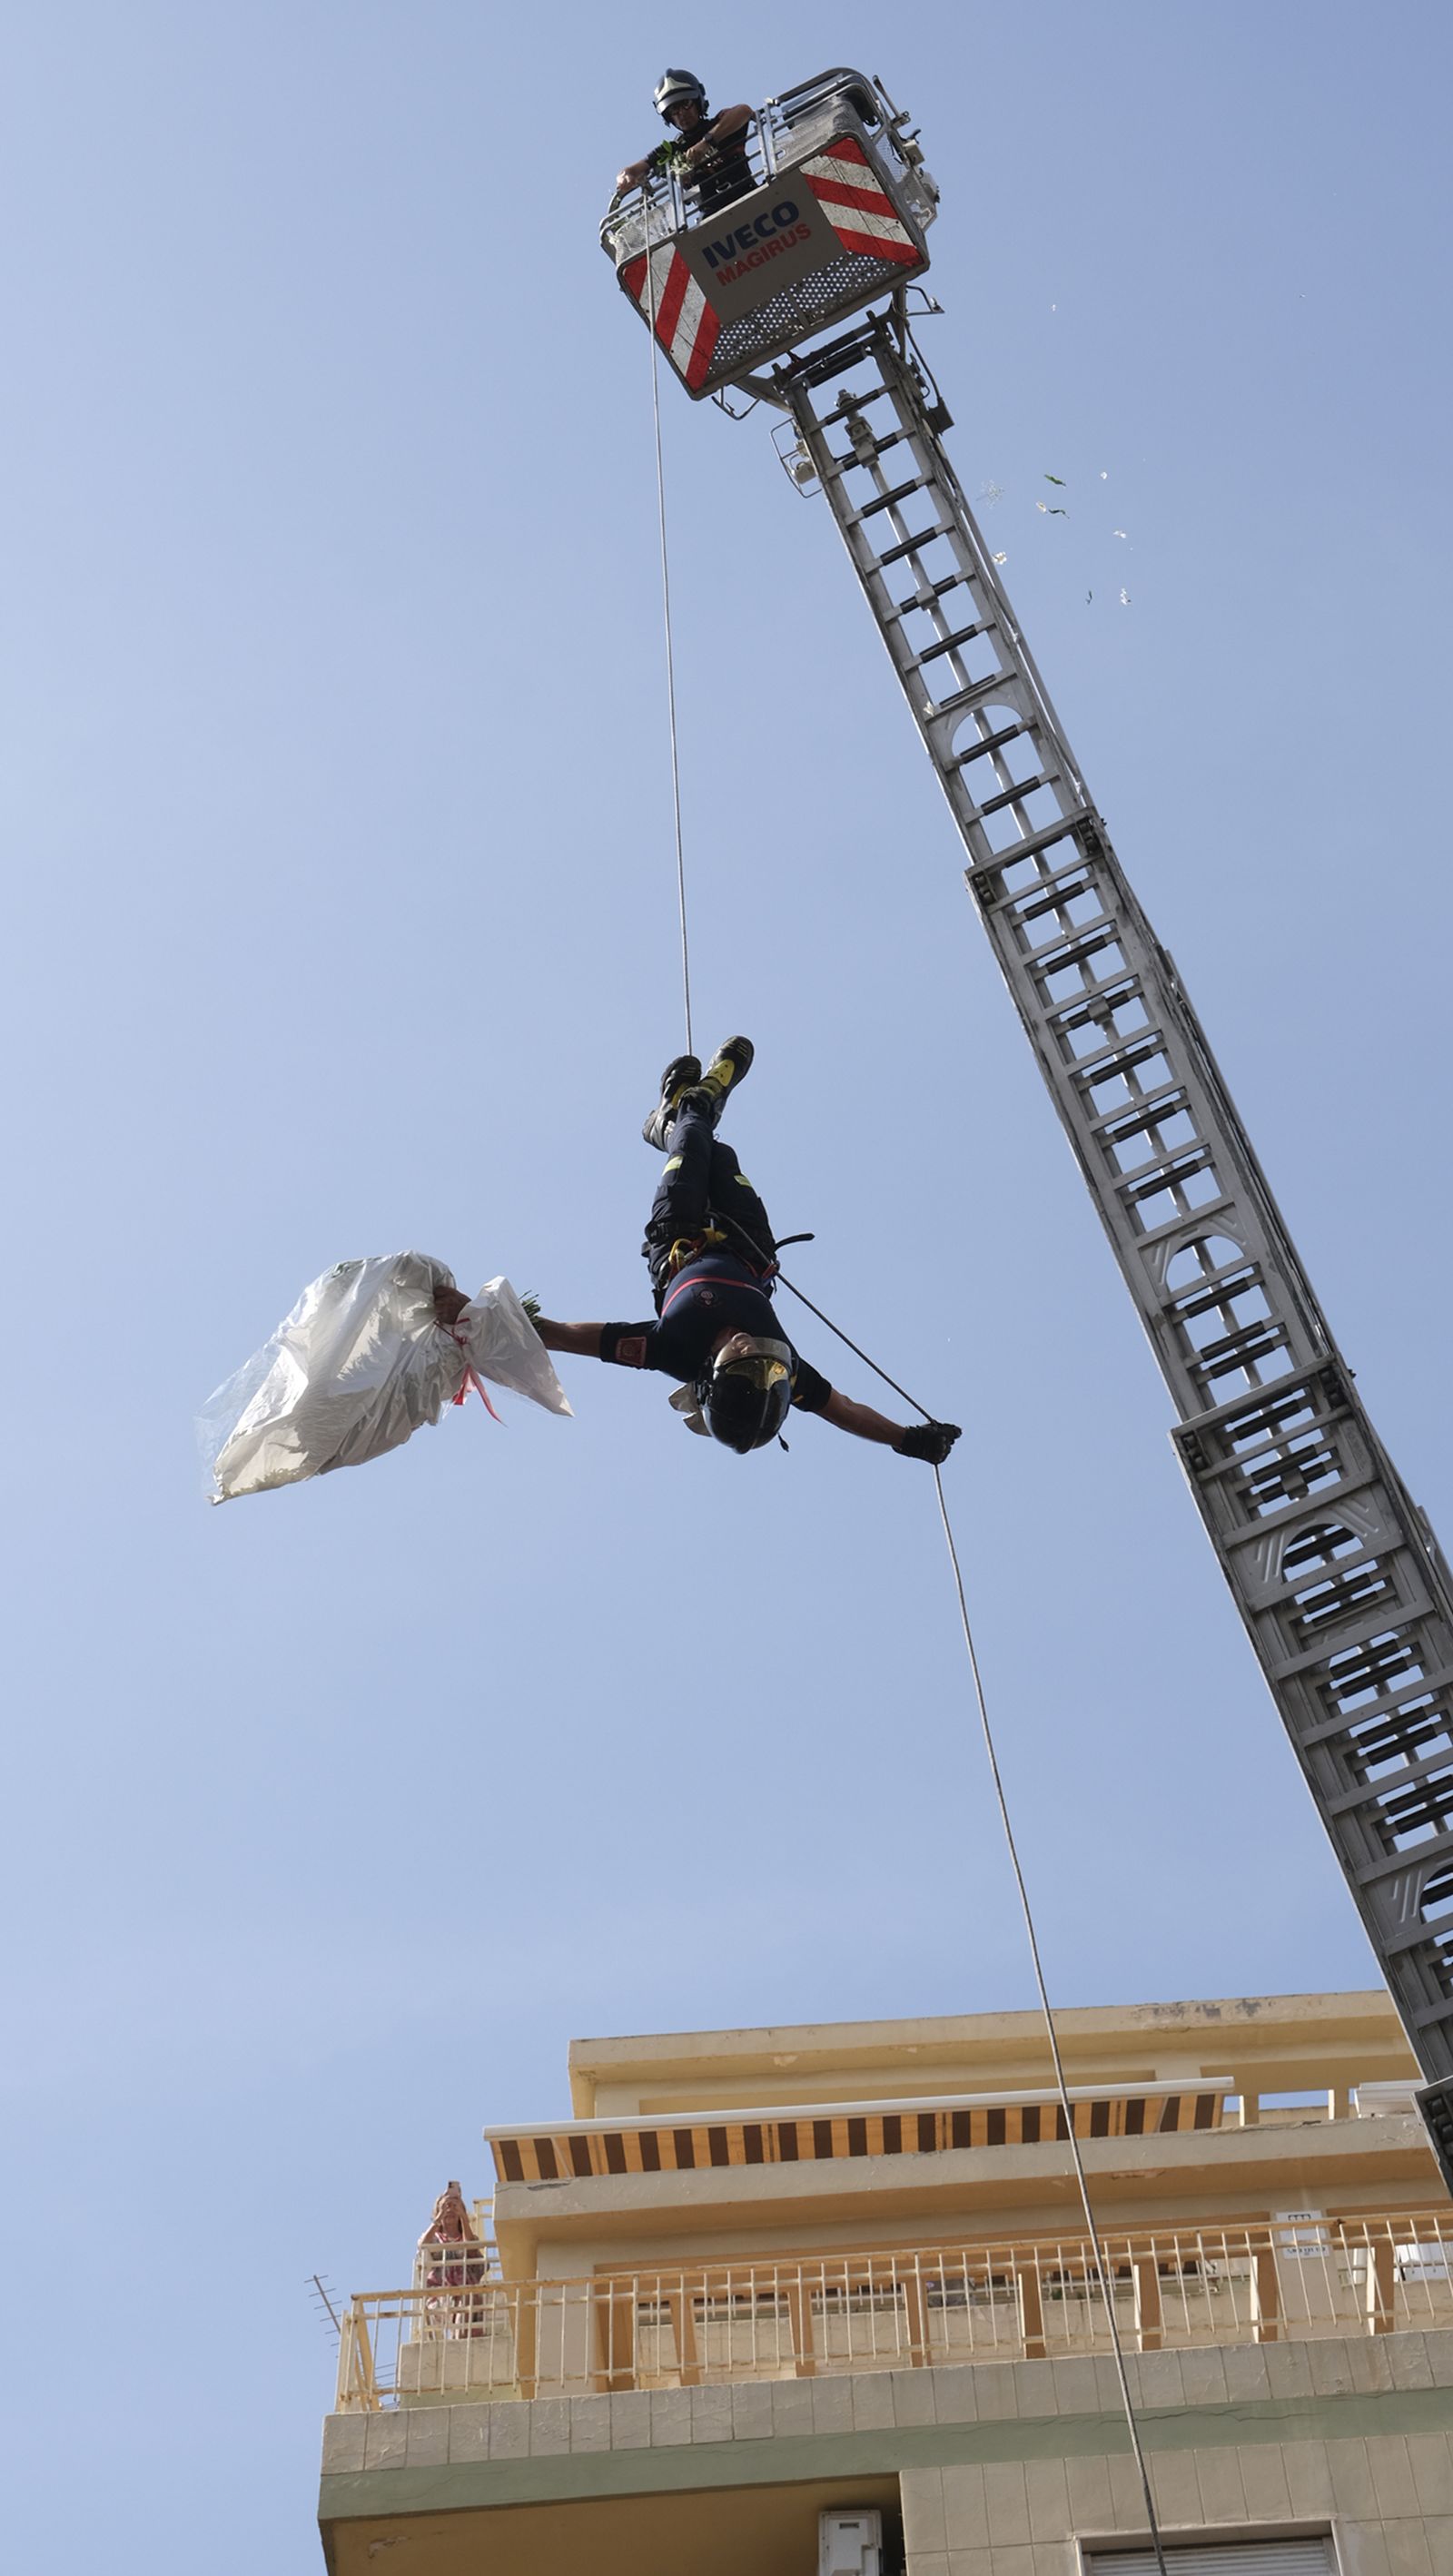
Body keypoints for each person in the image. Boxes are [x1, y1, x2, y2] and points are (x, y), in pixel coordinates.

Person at [438, 1041, 961, 1464]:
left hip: (678, 1233)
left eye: (740, 1355)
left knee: (694, 1139)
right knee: (720, 1151)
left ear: (711, 1374)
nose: (748, 1342)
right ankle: (670, 1119)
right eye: (763, 1356)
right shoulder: (784, 1368)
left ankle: (693, 1102)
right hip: (748, 1242)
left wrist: (471, 1316)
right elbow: (842, 1408)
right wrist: (906, 1439)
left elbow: (558, 1336)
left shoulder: (670, 1349)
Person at [615, 70, 756, 220]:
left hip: (751, 198)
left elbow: (744, 111)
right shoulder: (671, 151)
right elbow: (631, 170)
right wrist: (625, 177)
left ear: (697, 103)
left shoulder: (722, 124)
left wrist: (707, 142)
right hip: (712, 217)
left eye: (685, 104)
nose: (681, 113)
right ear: (668, 116)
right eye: (674, 109)